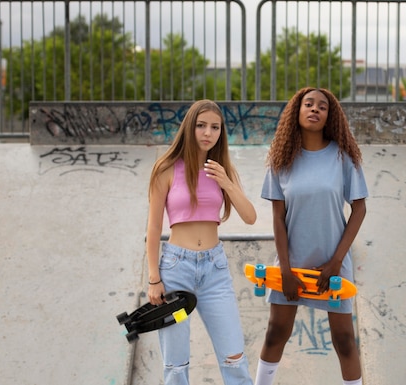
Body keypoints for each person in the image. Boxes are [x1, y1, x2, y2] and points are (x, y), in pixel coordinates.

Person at [254, 87, 368, 385]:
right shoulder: (280, 160)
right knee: (276, 332)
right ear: (297, 111)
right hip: (291, 264)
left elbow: (359, 209)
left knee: (344, 339)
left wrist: (336, 261)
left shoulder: (343, 157)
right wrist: (286, 268)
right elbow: (278, 218)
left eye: (322, 106)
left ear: (331, 116)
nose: (315, 109)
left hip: (333, 264)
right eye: (308, 104)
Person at [145, 99, 257, 385]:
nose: (208, 132)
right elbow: (154, 226)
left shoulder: (221, 171)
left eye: (215, 127)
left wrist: (227, 182)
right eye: (201, 125)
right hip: (175, 270)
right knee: (176, 364)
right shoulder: (166, 168)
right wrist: (154, 278)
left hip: (214, 272)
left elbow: (250, 216)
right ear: (189, 127)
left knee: (234, 357)